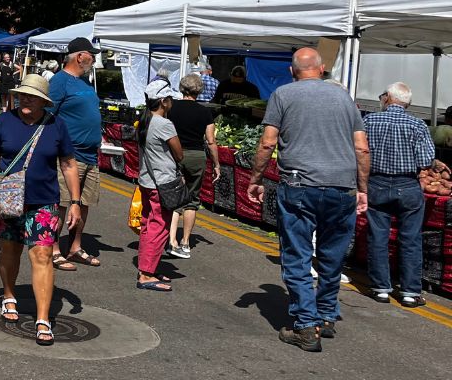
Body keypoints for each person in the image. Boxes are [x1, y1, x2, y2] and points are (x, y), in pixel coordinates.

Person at [246, 48, 369, 352]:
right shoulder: (344, 97)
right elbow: (362, 148)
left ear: (292, 71)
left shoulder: (283, 94)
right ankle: (326, 315)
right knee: (332, 256)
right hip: (342, 187)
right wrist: (362, 187)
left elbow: (268, 142)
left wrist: (256, 178)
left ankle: (305, 325)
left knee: (297, 255)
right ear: (322, 68)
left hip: (300, 185)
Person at [0, 75, 82, 345]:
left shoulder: (56, 125)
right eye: (22, 95)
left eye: (32, 96)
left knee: (43, 255)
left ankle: (43, 318)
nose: (26, 100)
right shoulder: (5, 121)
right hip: (8, 201)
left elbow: (68, 164)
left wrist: (76, 202)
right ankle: (9, 295)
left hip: (44, 201)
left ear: (43, 101)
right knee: (9, 251)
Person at [363, 82, 443, 307]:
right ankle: (409, 292)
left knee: (378, 236)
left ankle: (380, 288)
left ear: (388, 98)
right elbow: (425, 160)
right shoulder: (417, 124)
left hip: (377, 182)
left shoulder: (369, 121)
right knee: (410, 239)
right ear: (408, 103)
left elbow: (359, 151)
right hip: (407, 185)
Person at [48, 37, 103, 272]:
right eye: (92, 55)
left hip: (90, 155)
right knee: (63, 203)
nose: (94, 59)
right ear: (80, 56)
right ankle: (53, 249)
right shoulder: (60, 81)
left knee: (84, 203)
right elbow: (48, 115)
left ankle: (75, 247)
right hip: (69, 156)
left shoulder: (85, 82)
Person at [136, 79, 184, 291]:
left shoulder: (145, 121)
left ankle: (148, 268)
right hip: (162, 182)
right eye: (170, 98)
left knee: (148, 225)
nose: (172, 102)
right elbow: (179, 154)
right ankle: (146, 274)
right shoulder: (164, 124)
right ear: (163, 101)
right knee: (159, 227)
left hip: (147, 180)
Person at [166, 73, 221, 258]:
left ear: (182, 88)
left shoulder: (171, 107)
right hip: (197, 156)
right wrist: (216, 164)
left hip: (175, 153)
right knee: (192, 199)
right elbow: (211, 141)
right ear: (199, 90)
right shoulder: (205, 112)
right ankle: (186, 242)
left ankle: (172, 240)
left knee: (174, 196)